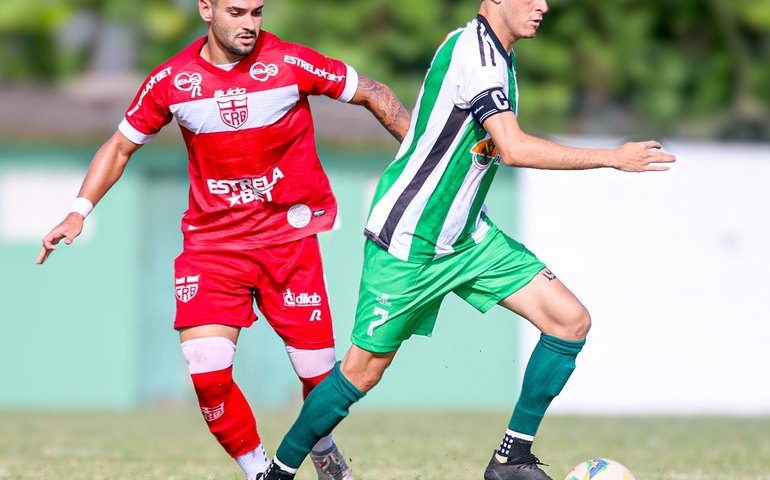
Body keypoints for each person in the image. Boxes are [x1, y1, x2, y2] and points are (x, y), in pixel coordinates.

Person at [260, 0, 676, 479]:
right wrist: (611, 157)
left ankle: (511, 459)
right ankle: (280, 472)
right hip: (409, 241)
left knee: (568, 320)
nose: (543, 7)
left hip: (468, 238)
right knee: (361, 372)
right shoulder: (476, 55)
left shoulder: (499, 53)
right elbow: (514, 149)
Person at [36, 1, 409, 479]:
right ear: (206, 9)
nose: (251, 24)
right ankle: (259, 472)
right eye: (237, 11)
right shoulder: (171, 81)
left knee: (321, 382)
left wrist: (429, 162)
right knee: (208, 374)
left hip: (287, 242)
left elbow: (375, 92)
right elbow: (121, 145)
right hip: (213, 246)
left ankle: (324, 449)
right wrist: (78, 210)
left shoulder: (291, 62)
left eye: (257, 11)